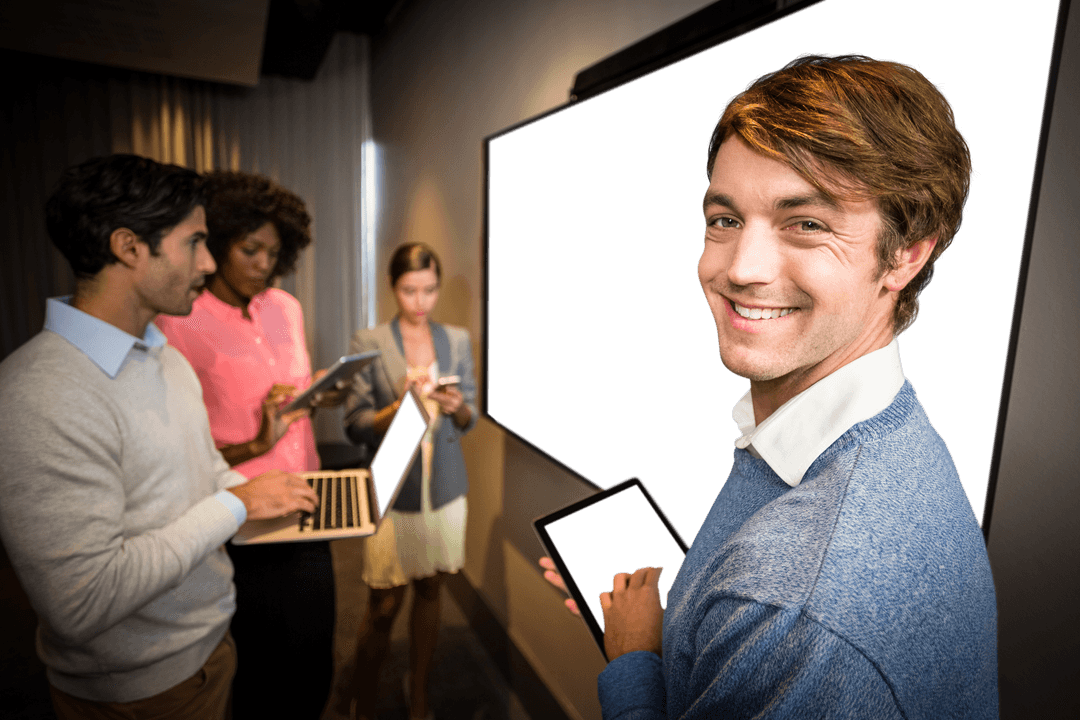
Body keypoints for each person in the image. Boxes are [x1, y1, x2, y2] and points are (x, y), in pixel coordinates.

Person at [543, 53, 997, 719]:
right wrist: (698, 622)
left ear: (907, 253)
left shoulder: (800, 610)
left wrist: (636, 656)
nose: (739, 270)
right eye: (724, 219)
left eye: (806, 223)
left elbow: (787, 600)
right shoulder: (887, 429)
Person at [0, 154, 319, 720]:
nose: (207, 261)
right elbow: (82, 600)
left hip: (208, 648)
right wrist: (235, 502)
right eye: (195, 242)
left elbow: (202, 473)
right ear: (129, 247)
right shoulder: (37, 393)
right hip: (141, 690)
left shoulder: (160, 357)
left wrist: (264, 495)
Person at [156, 170, 346, 719]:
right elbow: (180, 456)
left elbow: (291, 400)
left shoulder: (286, 308)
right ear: (216, 242)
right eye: (250, 249)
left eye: (274, 251)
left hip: (308, 500)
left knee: (313, 665)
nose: (264, 264)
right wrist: (255, 442)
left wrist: (315, 399)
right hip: (241, 517)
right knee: (260, 669)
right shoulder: (178, 324)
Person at [339, 242, 478, 720]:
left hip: (443, 486)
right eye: (409, 290)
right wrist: (393, 412)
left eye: (429, 290)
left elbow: (470, 416)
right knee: (382, 602)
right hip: (391, 483)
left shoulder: (456, 339)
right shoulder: (369, 341)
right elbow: (353, 423)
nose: (420, 301)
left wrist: (460, 409)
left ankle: (418, 689)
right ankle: (362, 691)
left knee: (431, 590)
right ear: (393, 288)